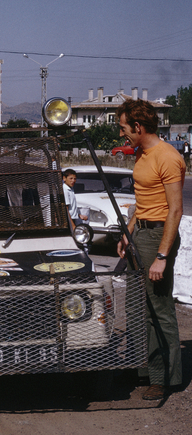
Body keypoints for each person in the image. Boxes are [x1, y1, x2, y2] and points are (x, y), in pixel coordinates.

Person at [116, 99, 185, 401]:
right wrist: (128, 233)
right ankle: (145, 368)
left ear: (138, 127)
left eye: (123, 128)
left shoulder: (167, 157)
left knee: (160, 309)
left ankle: (166, 378)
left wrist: (161, 256)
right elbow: (143, 202)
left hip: (159, 236)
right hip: (141, 234)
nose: (122, 135)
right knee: (138, 307)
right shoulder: (142, 154)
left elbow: (175, 211)